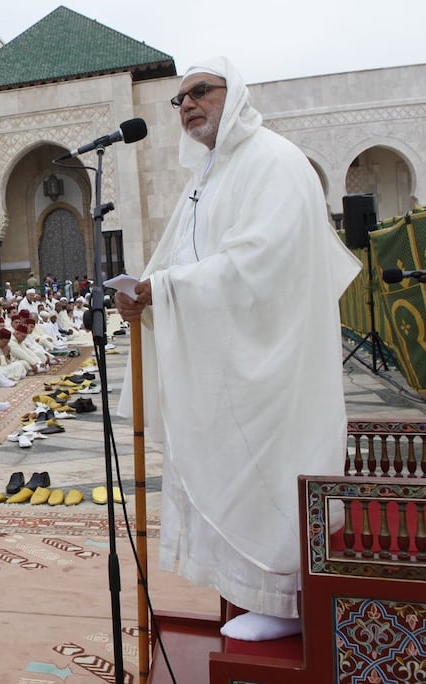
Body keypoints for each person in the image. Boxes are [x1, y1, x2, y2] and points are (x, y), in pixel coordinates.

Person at [116, 57, 359, 642]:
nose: (188, 106)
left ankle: (284, 600)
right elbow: (177, 259)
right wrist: (144, 297)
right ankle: (251, 592)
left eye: (201, 92)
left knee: (271, 475)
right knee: (234, 472)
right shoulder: (208, 174)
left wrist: (165, 291)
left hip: (272, 368)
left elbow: (262, 262)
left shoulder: (274, 162)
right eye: (179, 100)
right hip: (226, 363)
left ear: (235, 93)